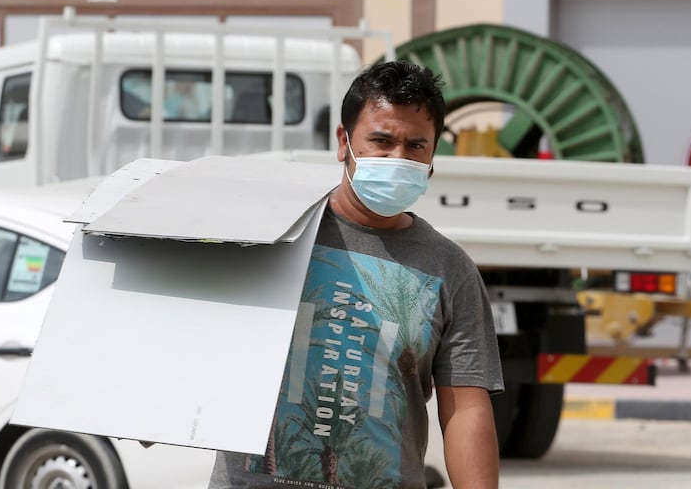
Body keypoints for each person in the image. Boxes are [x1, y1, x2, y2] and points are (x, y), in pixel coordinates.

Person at [209, 60, 504, 489]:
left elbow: (465, 409)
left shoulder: (449, 268)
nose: (397, 158)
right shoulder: (274, 234)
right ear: (343, 142)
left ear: (433, 155)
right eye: (381, 141)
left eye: (415, 146)